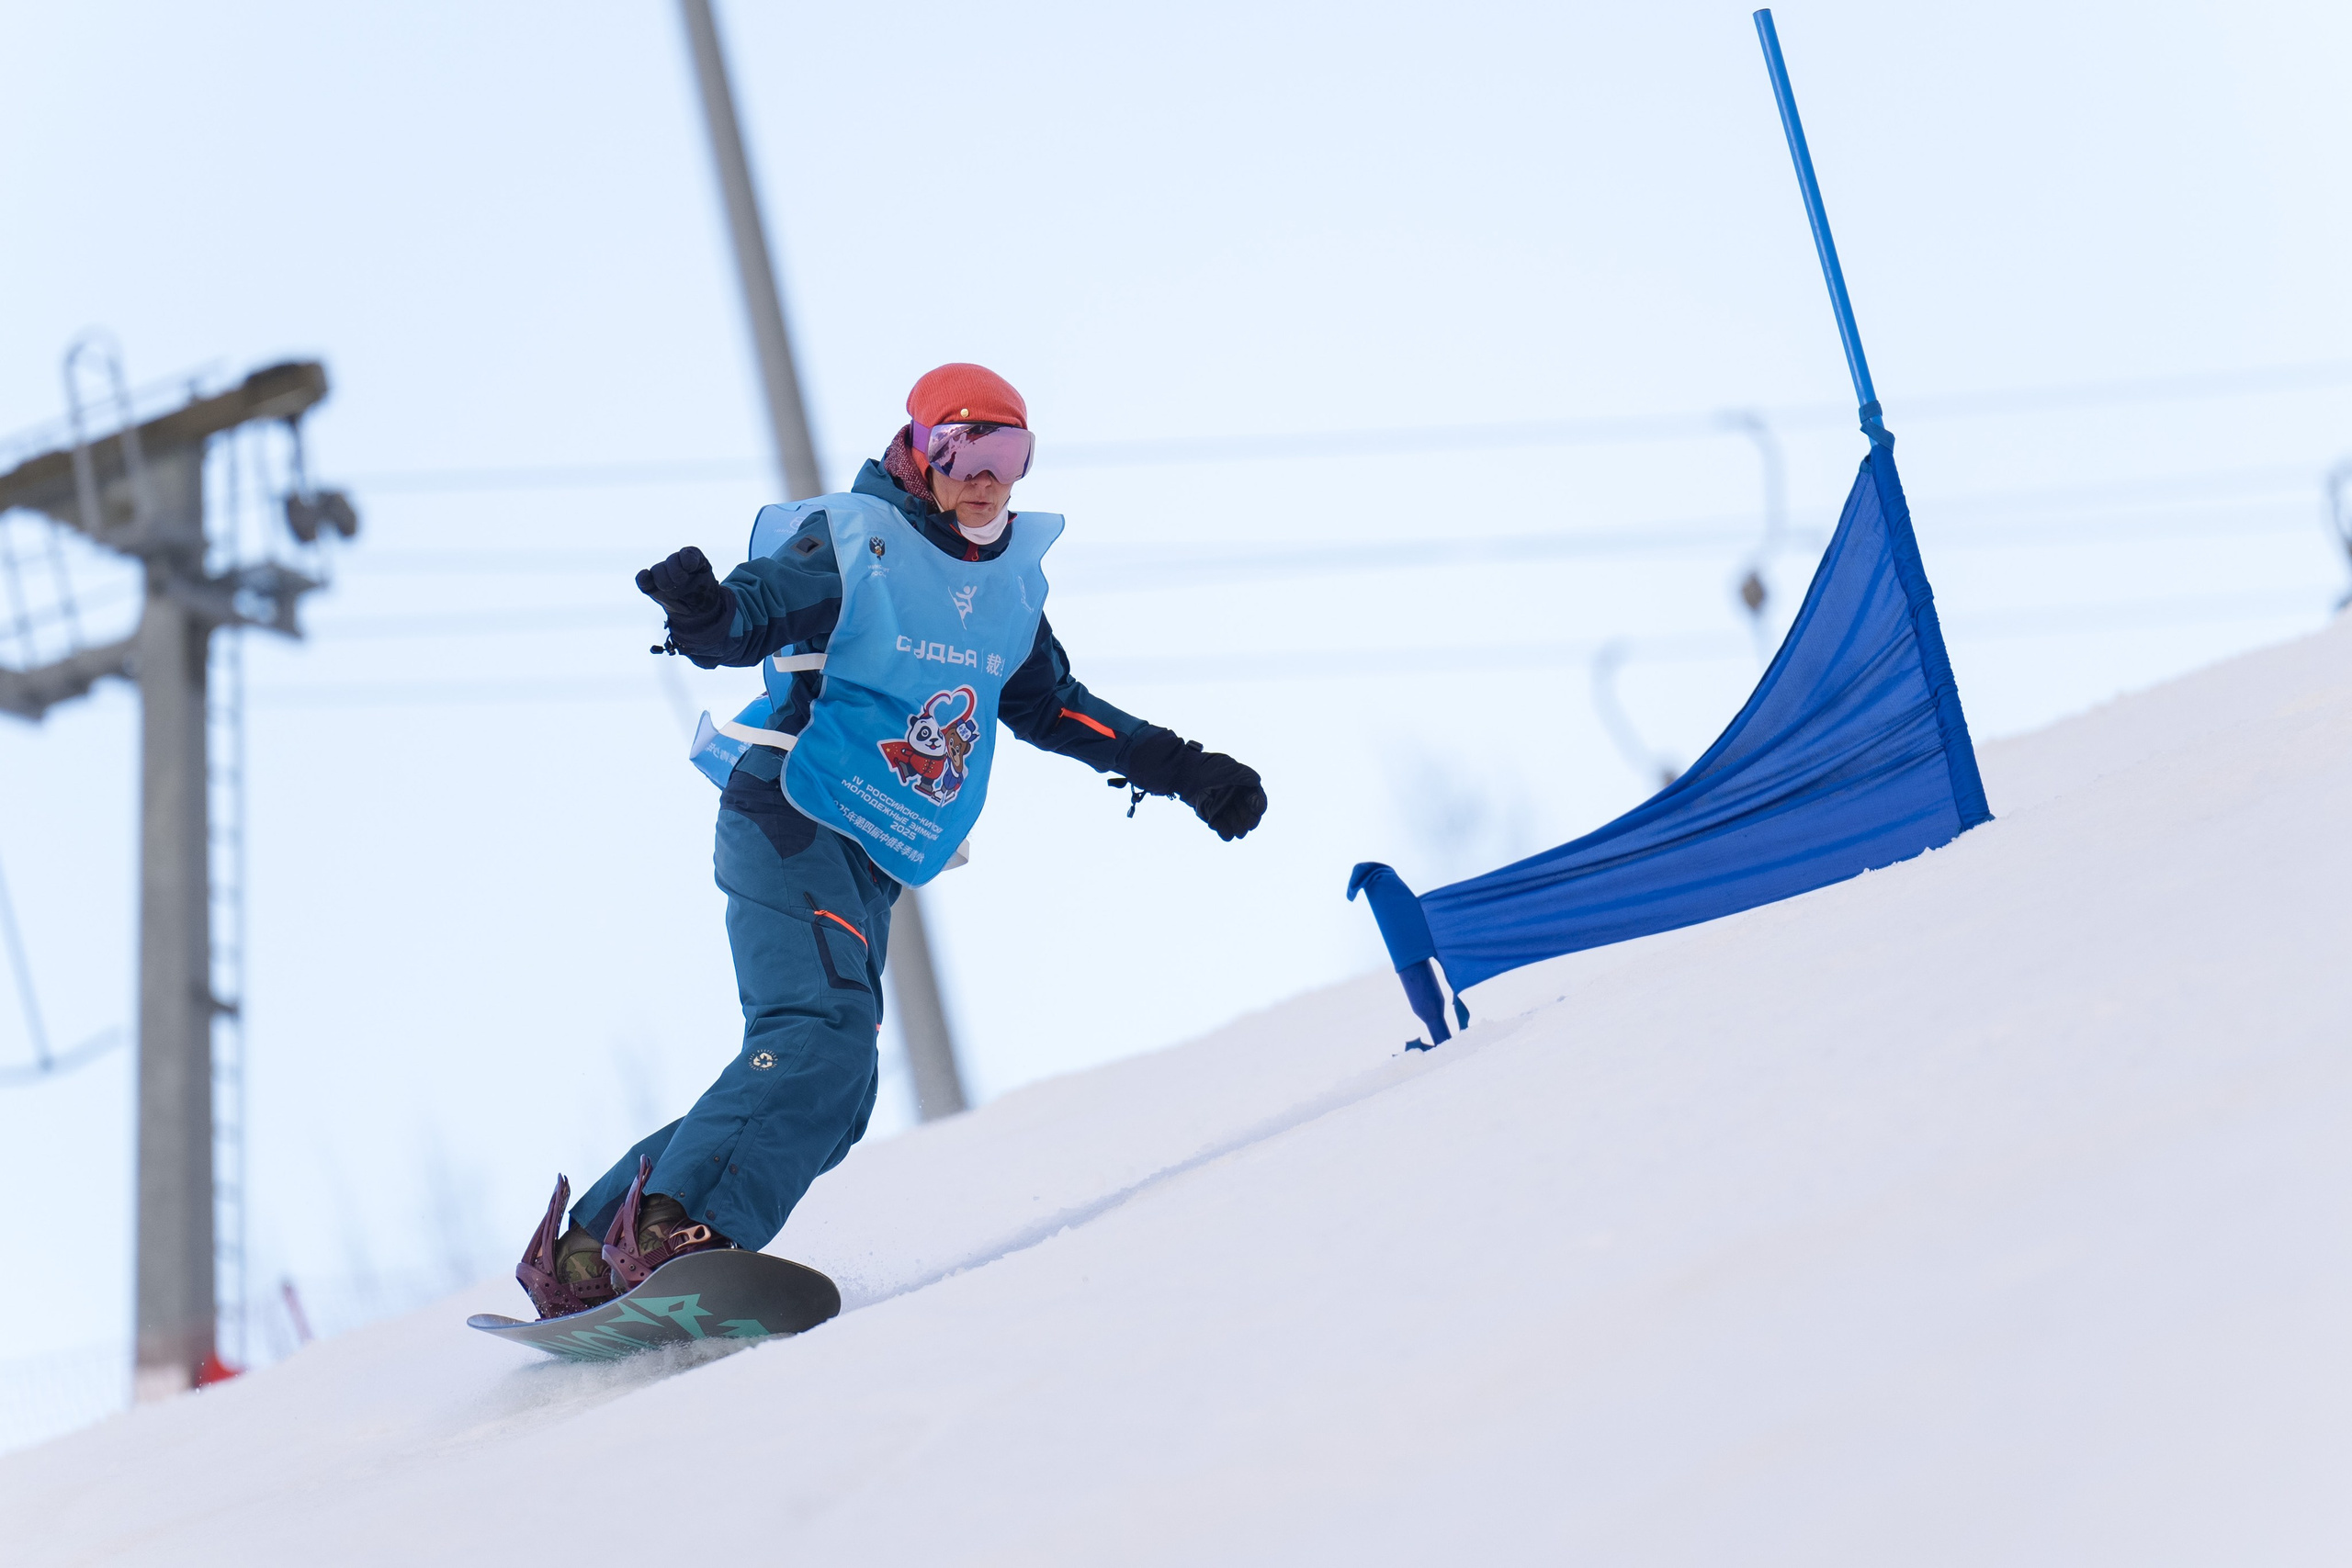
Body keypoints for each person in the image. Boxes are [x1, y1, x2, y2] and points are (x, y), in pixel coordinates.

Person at [514, 362, 1268, 1317]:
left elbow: (1053, 706)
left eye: (1009, 454)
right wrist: (707, 613)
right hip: (792, 811)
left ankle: (590, 1248)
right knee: (819, 1038)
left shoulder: (1006, 589)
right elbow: (758, 608)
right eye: (962, 448)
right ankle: (669, 1227)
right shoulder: (860, 544)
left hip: (865, 851)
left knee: (838, 1089)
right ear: (918, 451)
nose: (985, 476)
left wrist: (1184, 767)